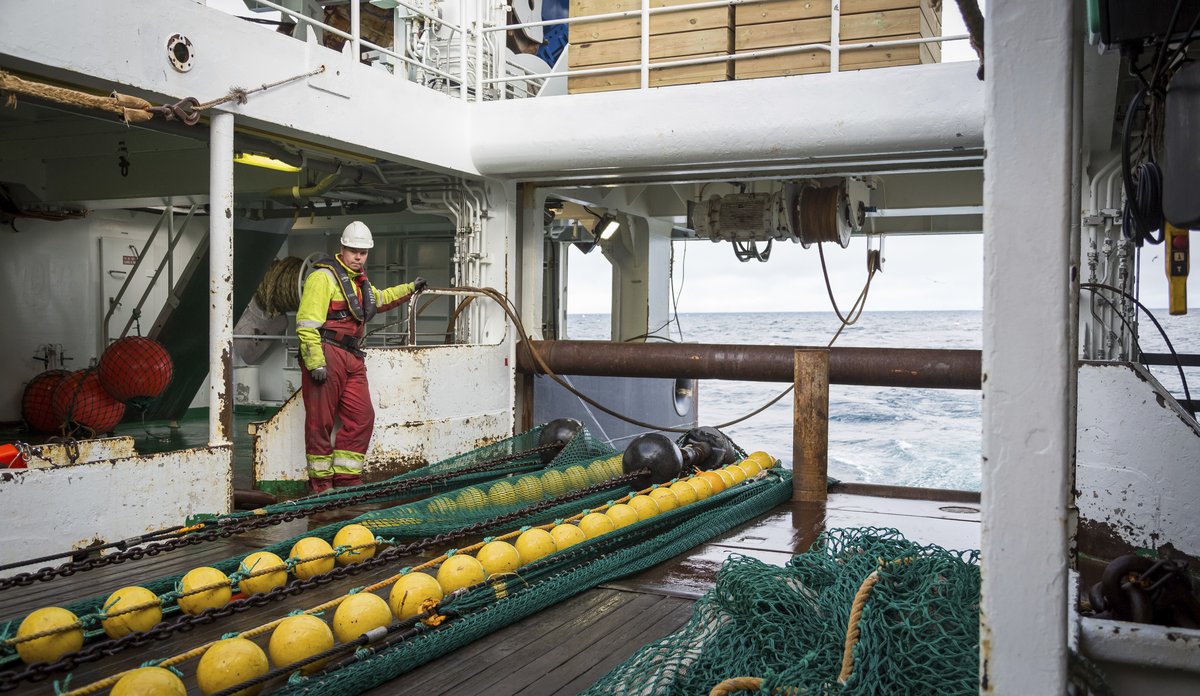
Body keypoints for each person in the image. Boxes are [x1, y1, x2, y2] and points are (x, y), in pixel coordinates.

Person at [295, 221, 427, 492]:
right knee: (321, 422)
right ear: (342, 249)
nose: (358, 256)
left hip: (353, 356)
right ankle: (320, 485)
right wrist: (315, 361)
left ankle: (347, 480)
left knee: (362, 417)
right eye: (353, 251)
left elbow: (379, 299)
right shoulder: (323, 278)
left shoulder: (359, 283)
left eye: (363, 252)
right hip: (328, 353)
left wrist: (410, 288)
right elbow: (307, 325)